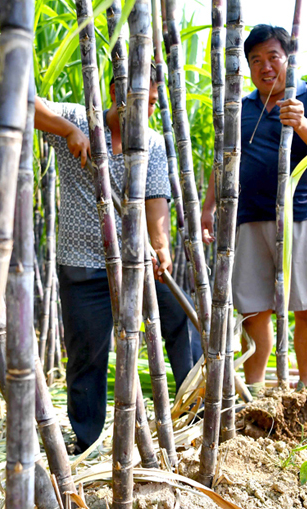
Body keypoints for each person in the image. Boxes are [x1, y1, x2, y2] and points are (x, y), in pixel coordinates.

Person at [34, 69, 202, 453]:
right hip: (82, 261)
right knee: (86, 353)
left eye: (154, 105)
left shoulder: (153, 144)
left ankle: (194, 415)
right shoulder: (78, 119)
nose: (149, 111)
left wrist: (160, 248)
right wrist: (67, 131)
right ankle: (88, 441)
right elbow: (24, 104)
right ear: (115, 92)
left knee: (179, 323)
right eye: (142, 101)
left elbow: (156, 202)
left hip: (135, 260)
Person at [201, 24, 307, 397]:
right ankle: (256, 390)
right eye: (256, 60)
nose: (265, 67)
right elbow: (224, 161)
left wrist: (301, 122)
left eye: (273, 57)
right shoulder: (242, 108)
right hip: (250, 218)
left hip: (305, 216)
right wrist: (207, 208)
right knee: (253, 309)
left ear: (289, 60)